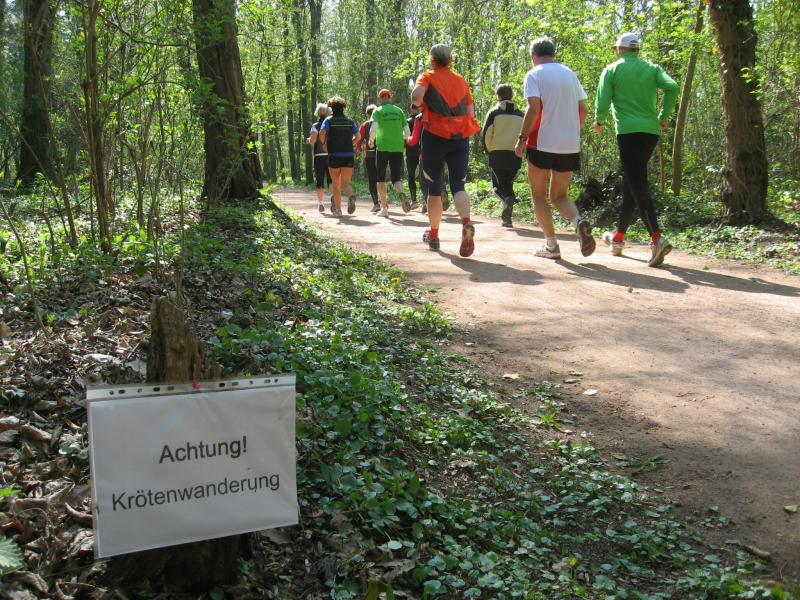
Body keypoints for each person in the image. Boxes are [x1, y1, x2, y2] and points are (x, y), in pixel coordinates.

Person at [594, 32, 678, 267]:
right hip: (651, 131)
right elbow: (672, 87)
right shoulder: (651, 68)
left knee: (638, 184)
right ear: (637, 50)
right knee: (631, 182)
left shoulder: (612, 70)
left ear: (619, 49)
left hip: (628, 132)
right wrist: (664, 116)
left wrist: (599, 120)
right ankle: (618, 237)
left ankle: (657, 238)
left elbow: (603, 99)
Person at [514, 37, 595, 259]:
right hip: (569, 145)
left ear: (533, 55)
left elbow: (533, 108)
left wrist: (522, 139)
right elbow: (583, 110)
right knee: (559, 196)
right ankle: (578, 221)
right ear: (553, 54)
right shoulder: (570, 74)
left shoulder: (534, 74)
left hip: (541, 143)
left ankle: (551, 245)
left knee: (538, 195)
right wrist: (570, 131)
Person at [411, 44, 481, 256]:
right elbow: (471, 112)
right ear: (450, 61)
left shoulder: (427, 77)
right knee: (458, 184)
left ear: (432, 60)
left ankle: (433, 235)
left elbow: (416, 97)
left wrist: (421, 106)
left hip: (435, 136)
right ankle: (466, 222)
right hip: (460, 137)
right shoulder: (461, 80)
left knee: (434, 188)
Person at [482, 84, 524, 227]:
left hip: (497, 153)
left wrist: (490, 150)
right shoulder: (521, 115)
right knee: (509, 185)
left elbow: (486, 134)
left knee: (497, 187)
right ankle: (507, 220)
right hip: (515, 155)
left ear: (498, 96)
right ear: (511, 96)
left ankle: (506, 199)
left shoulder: (494, 113)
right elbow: (526, 136)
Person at [370, 89, 410, 217]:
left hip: (382, 147)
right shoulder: (399, 111)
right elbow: (407, 130)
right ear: (390, 97)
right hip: (397, 148)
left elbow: (374, 127)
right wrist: (405, 141)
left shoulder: (378, 111)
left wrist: (371, 141)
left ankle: (384, 209)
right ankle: (401, 193)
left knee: (380, 178)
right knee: (396, 178)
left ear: (380, 98)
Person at [319, 96, 359, 217]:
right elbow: (358, 136)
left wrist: (324, 143)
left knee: (336, 184)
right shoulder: (350, 121)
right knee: (346, 183)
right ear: (343, 108)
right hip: (348, 154)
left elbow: (322, 133)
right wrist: (351, 143)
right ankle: (351, 195)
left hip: (334, 154)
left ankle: (338, 210)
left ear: (332, 109)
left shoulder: (328, 121)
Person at [307, 103, 332, 212]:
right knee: (331, 180)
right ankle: (334, 199)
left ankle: (321, 204)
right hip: (330, 155)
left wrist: (308, 140)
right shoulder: (331, 124)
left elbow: (313, 141)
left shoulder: (315, 125)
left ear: (317, 112)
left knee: (320, 180)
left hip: (319, 156)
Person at [357, 104, 380, 213]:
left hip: (370, 155)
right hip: (382, 154)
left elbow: (359, 139)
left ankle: (376, 204)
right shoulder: (381, 123)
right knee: (381, 179)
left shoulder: (365, 125)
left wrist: (359, 149)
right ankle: (384, 202)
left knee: (372, 180)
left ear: (367, 114)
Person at [405, 104, 422, 210]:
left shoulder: (407, 121)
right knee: (424, 176)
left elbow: (404, 137)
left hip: (411, 152)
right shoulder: (423, 119)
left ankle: (414, 200)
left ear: (411, 109)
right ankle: (426, 201)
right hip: (422, 151)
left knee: (411, 176)